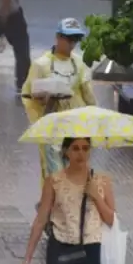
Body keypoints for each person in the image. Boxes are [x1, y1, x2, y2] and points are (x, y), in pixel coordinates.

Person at [21, 18, 96, 179]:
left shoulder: (80, 63)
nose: (72, 43)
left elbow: (88, 94)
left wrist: (94, 118)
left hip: (77, 124)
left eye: (76, 39)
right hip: (52, 125)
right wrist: (40, 102)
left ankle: (74, 200)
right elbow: (28, 94)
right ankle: (52, 200)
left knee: (76, 166)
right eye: (69, 39)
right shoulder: (41, 64)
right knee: (53, 169)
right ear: (58, 37)